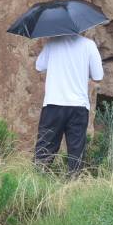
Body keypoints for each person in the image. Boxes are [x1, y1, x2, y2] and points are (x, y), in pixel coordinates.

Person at [33, 31, 103, 173]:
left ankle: (36, 184)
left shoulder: (52, 43)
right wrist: (83, 70)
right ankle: (74, 187)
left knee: (44, 151)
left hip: (53, 104)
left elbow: (39, 66)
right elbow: (98, 76)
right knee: (76, 154)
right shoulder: (89, 45)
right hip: (78, 107)